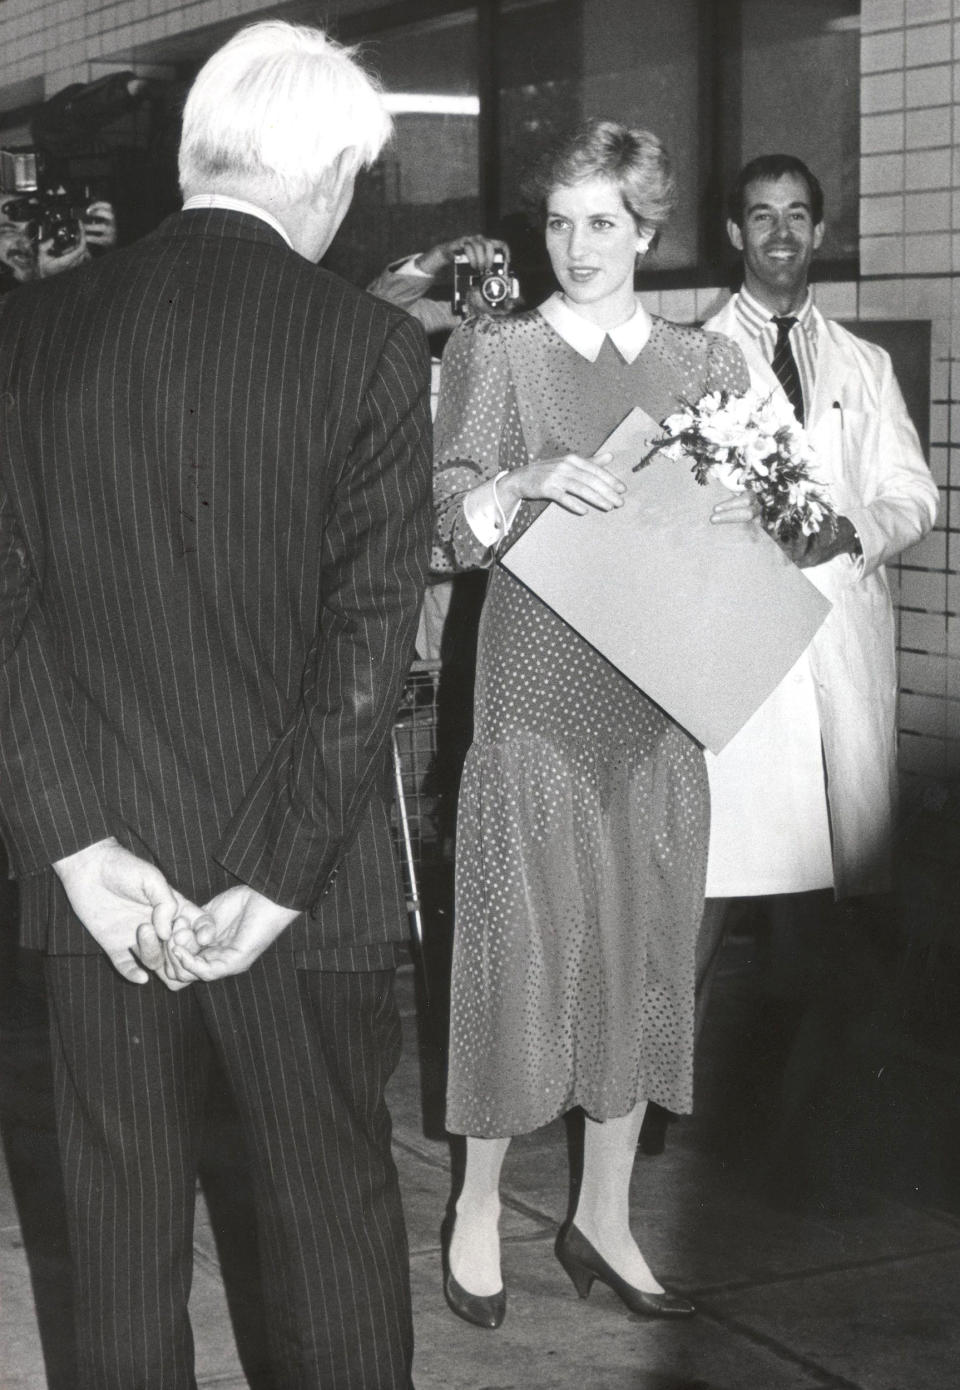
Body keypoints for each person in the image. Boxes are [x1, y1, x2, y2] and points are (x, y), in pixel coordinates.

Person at [0, 20, 432, 1390]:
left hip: (95, 903)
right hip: (304, 903)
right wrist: (275, 876)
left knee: (116, 1254)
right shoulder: (365, 346)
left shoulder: (32, 332)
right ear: (324, 179)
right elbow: (369, 647)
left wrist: (74, 846)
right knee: (327, 1237)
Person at [431, 118, 753, 1330]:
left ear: (648, 230)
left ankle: (605, 1213)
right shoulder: (497, 354)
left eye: (602, 223)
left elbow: (749, 532)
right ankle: (475, 1206)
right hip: (533, 684)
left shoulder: (705, 368)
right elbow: (444, 518)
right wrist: (515, 483)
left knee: (641, 944)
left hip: (657, 697)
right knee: (520, 946)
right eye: (560, 222)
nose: (576, 245)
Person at [696, 155, 938, 1026]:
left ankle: (817, 1114)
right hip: (741, 648)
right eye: (762, 216)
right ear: (735, 233)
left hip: (840, 636)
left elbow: (914, 494)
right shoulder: (693, 358)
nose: (782, 234)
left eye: (798, 215)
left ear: (821, 232)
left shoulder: (864, 365)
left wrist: (855, 531)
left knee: (833, 896)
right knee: (715, 884)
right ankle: (652, 1105)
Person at [368, 232, 513, 337]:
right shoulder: (451, 319)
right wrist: (440, 255)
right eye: (497, 275)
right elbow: (379, 317)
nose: (496, 287)